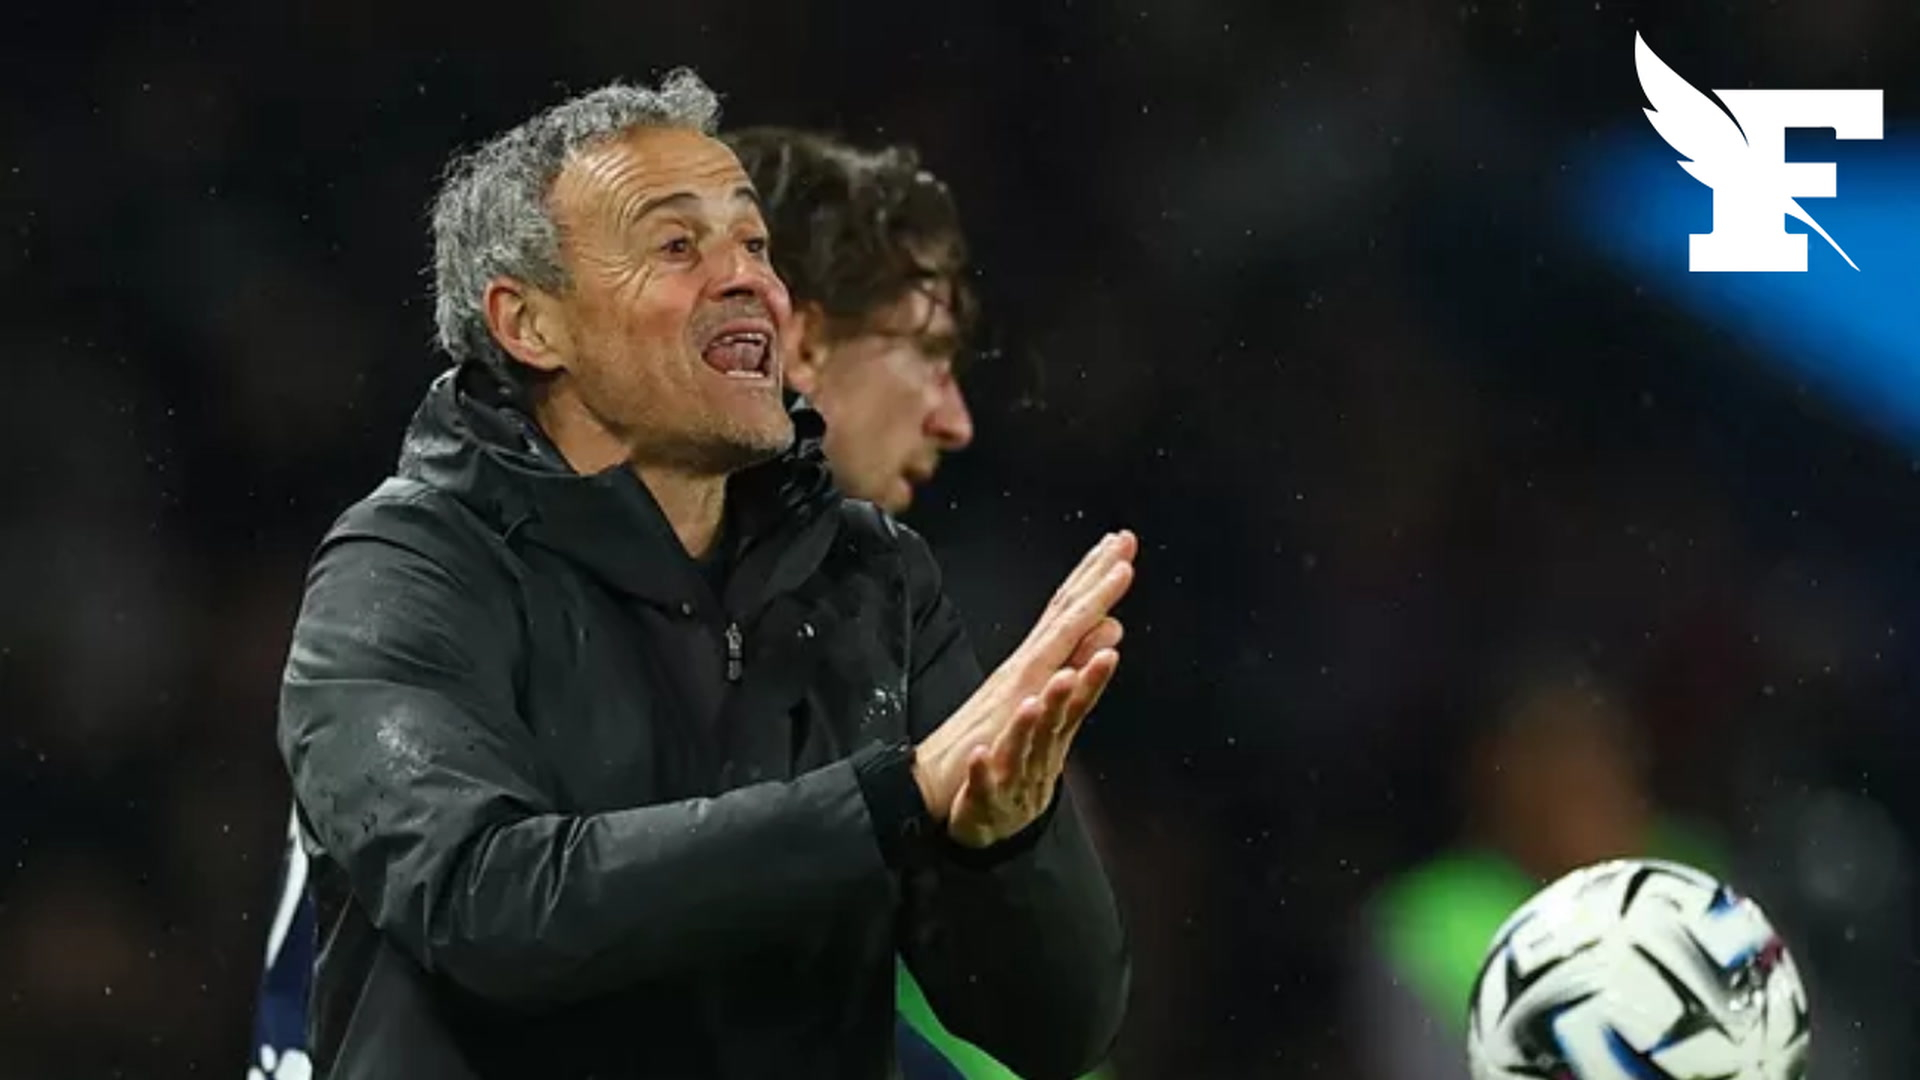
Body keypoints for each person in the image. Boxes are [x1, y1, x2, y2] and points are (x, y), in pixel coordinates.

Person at [270, 70, 1132, 1079]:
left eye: (755, 245)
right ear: (529, 324)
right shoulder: (407, 571)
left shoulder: (872, 577)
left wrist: (1004, 844)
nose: (748, 279)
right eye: (678, 245)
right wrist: (888, 800)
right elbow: (486, 903)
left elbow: (1056, 1037)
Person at [724, 128, 1115, 1080]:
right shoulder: (512, 595)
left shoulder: (877, 621)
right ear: (803, 341)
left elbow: (1057, 1032)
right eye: (928, 352)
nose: (956, 419)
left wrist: (1006, 841)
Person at [1348, 657, 1723, 1080]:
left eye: (1598, 752)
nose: (1581, 778)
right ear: (1492, 776)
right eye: (1549, 755)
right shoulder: (1427, 922)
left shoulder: (1696, 878)